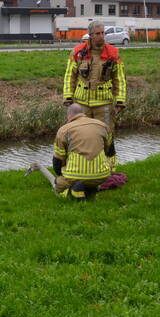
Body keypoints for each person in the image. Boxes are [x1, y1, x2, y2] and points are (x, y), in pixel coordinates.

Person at [62, 21, 127, 166]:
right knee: (80, 135)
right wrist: (67, 96)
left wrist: (120, 100)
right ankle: (79, 166)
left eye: (103, 33)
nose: (101, 36)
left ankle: (110, 167)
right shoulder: (78, 52)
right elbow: (69, 76)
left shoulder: (113, 53)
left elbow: (120, 79)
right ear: (90, 36)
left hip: (104, 103)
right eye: (98, 34)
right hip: (81, 104)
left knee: (107, 135)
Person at [29, 103, 111, 200]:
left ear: (69, 115)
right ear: (83, 113)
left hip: (75, 176)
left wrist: (60, 176)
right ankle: (91, 189)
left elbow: (58, 160)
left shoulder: (64, 130)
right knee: (94, 172)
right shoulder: (102, 125)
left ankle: (75, 192)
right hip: (102, 175)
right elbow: (108, 150)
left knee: (58, 187)